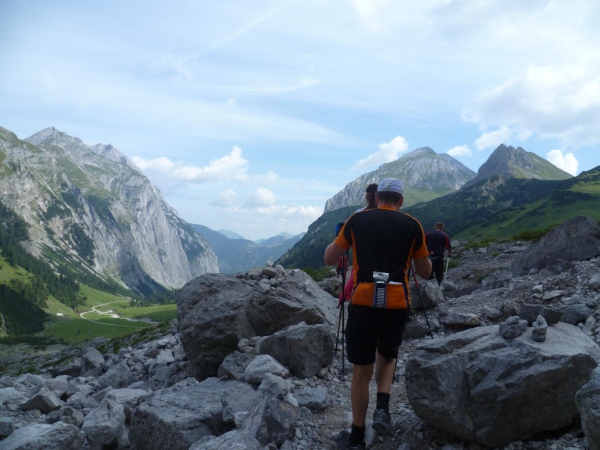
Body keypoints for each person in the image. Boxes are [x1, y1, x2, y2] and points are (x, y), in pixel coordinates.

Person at [324, 178, 431, 449]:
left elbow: (329, 258)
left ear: (377, 196)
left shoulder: (357, 220)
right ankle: (383, 407)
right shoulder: (413, 225)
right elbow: (425, 272)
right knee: (388, 355)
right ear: (400, 201)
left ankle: (357, 437)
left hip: (363, 302)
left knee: (361, 370)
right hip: (397, 304)